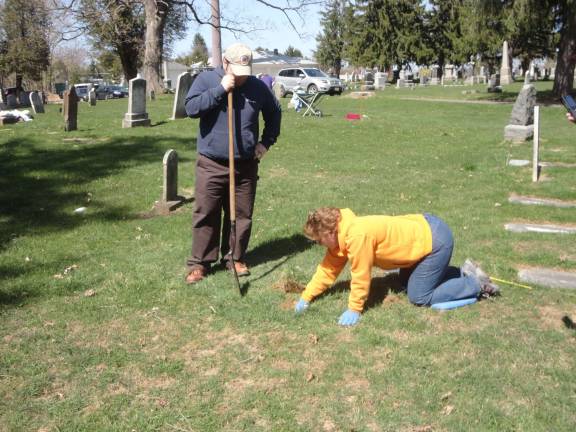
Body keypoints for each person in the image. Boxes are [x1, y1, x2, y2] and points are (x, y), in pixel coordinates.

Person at [295, 208, 499, 326]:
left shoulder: (356, 236)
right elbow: (327, 270)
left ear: (330, 232)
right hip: (425, 232)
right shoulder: (340, 235)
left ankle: (476, 284)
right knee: (403, 282)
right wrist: (306, 296)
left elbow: (360, 275)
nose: (320, 245)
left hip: (435, 241)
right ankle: (462, 272)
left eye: (320, 240)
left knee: (419, 296)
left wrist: (354, 309)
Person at [184, 43, 282, 284]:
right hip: (211, 163)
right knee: (206, 212)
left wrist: (266, 142)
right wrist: (219, 90)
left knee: (241, 214)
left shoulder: (257, 87)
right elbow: (190, 108)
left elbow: (274, 112)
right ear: (225, 64)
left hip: (246, 164)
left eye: (244, 73)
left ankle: (234, 258)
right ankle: (200, 263)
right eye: (236, 73)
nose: (240, 79)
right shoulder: (207, 80)